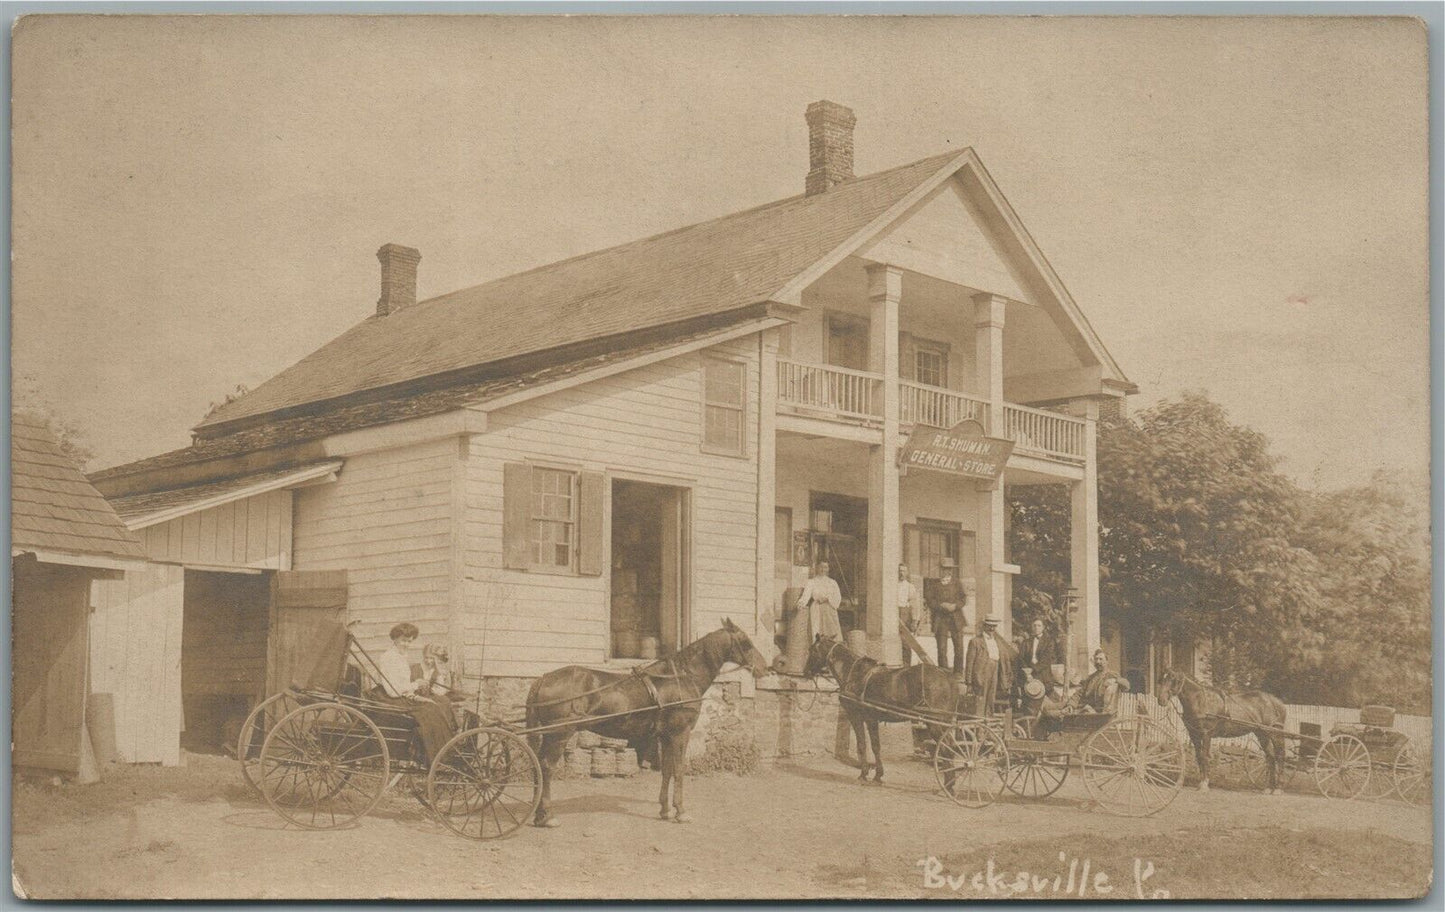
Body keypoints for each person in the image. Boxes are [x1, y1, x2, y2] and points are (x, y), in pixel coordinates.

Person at [374, 623, 457, 764]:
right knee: (431, 709)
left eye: (409, 641)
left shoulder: (400, 656)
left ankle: (448, 746)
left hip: (399, 695)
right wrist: (416, 685)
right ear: (394, 639)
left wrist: (415, 690)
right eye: (403, 640)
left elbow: (401, 685)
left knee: (440, 702)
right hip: (390, 698)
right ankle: (435, 756)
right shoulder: (389, 658)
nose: (406, 644)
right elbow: (393, 690)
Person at [963, 613, 1016, 717]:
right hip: (981, 673)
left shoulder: (997, 642)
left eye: (994, 626)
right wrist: (969, 682)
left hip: (995, 670)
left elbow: (1004, 659)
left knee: (990, 699)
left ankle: (988, 723)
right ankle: (979, 728)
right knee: (980, 700)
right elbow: (969, 663)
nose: (992, 628)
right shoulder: (975, 642)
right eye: (989, 625)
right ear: (984, 626)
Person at [924, 558, 968, 673]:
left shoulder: (957, 583)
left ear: (952, 570)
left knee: (959, 647)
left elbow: (963, 599)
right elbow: (929, 601)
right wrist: (941, 605)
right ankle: (944, 673)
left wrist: (955, 606)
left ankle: (958, 673)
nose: (947, 571)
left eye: (949, 569)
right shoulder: (934, 584)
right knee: (942, 649)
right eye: (944, 569)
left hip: (956, 619)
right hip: (940, 619)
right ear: (940, 569)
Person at [794, 560, 844, 640]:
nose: (823, 569)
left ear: (828, 569)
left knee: (832, 634)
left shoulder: (832, 583)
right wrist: (801, 603)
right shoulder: (811, 582)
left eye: (825, 567)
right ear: (817, 567)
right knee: (817, 632)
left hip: (830, 609)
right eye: (821, 567)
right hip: (817, 609)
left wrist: (828, 598)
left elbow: (838, 597)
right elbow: (806, 595)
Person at [1074, 648, 1129, 714]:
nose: (1098, 662)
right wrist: (1071, 705)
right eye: (1096, 659)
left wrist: (1115, 680)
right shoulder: (1091, 678)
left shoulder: (1112, 675)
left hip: (1104, 713)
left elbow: (1127, 686)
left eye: (1101, 659)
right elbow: (1079, 693)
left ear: (1107, 661)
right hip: (1088, 710)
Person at [1018, 617, 1059, 687]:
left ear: (1043, 627)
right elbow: (1021, 658)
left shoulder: (1049, 642)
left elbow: (1046, 659)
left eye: (1039, 626)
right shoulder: (1026, 642)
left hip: (1043, 676)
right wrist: (1027, 672)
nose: (1036, 628)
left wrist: (1032, 671)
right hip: (1028, 676)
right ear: (1032, 627)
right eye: (1034, 625)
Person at [896, 563, 921, 666]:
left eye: (904, 571)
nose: (901, 573)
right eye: (900, 571)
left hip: (905, 614)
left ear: (907, 573)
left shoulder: (910, 587)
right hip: (892, 613)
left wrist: (914, 621)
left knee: (905, 643)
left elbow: (914, 605)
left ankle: (906, 666)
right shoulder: (892, 585)